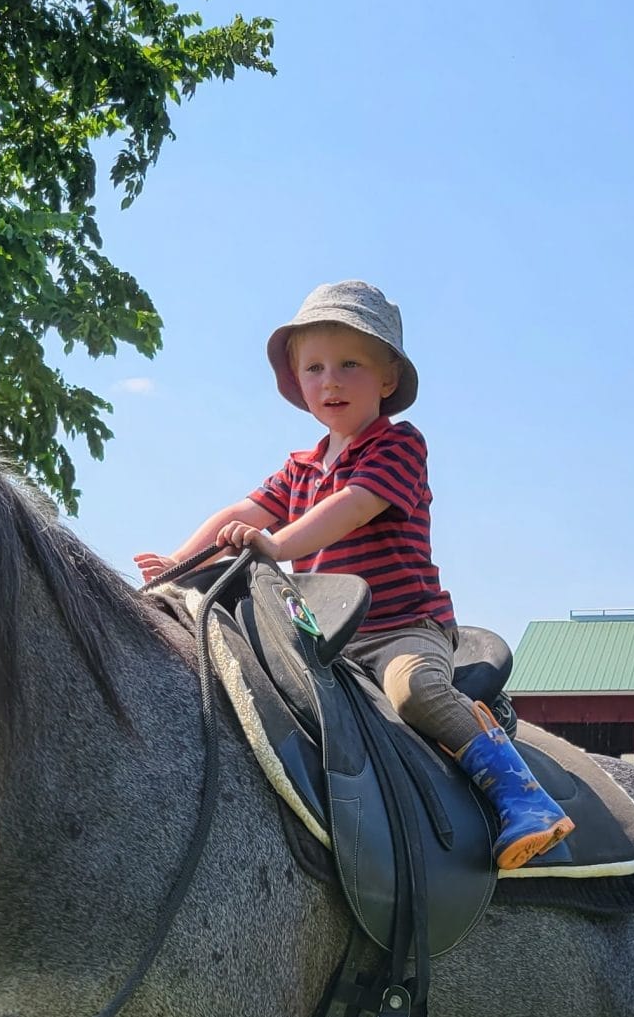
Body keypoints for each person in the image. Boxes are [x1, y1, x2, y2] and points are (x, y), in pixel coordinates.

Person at [138, 280, 573, 870]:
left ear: (387, 379)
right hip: (326, 638)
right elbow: (239, 514)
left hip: (399, 627)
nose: (330, 381)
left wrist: (275, 544)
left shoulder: (396, 447)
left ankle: (522, 795)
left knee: (412, 690)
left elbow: (351, 508)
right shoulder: (301, 466)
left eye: (350, 364)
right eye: (313, 368)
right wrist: (178, 566)